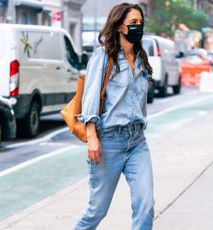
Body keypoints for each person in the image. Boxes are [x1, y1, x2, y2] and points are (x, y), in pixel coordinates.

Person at [74, 3, 154, 230]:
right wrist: (92, 136)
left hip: (137, 142)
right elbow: (90, 98)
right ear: (120, 26)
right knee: (96, 212)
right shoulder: (103, 57)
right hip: (109, 142)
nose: (139, 27)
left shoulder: (141, 58)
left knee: (145, 205)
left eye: (141, 23)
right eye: (133, 23)